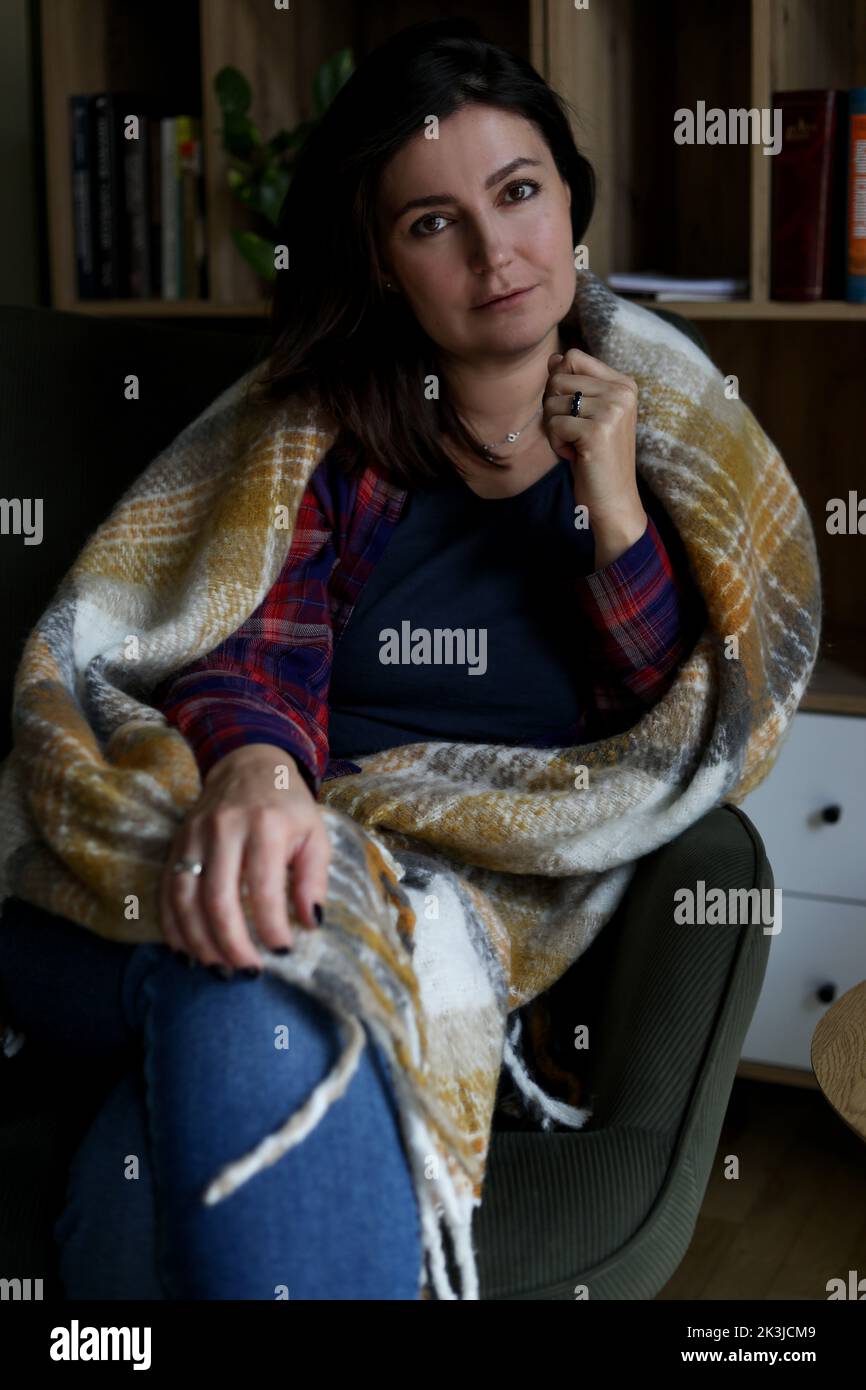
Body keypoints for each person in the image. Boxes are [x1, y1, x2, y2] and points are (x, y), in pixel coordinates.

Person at [0, 17, 705, 1300]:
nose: (496, 251)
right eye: (432, 222)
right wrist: (261, 777)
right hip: (174, 865)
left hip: (430, 913)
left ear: (568, 196)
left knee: (219, 1035)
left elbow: (663, 726)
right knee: (272, 939)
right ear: (382, 263)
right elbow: (238, 643)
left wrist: (610, 501)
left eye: (518, 192)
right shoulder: (314, 441)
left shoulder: (668, 433)